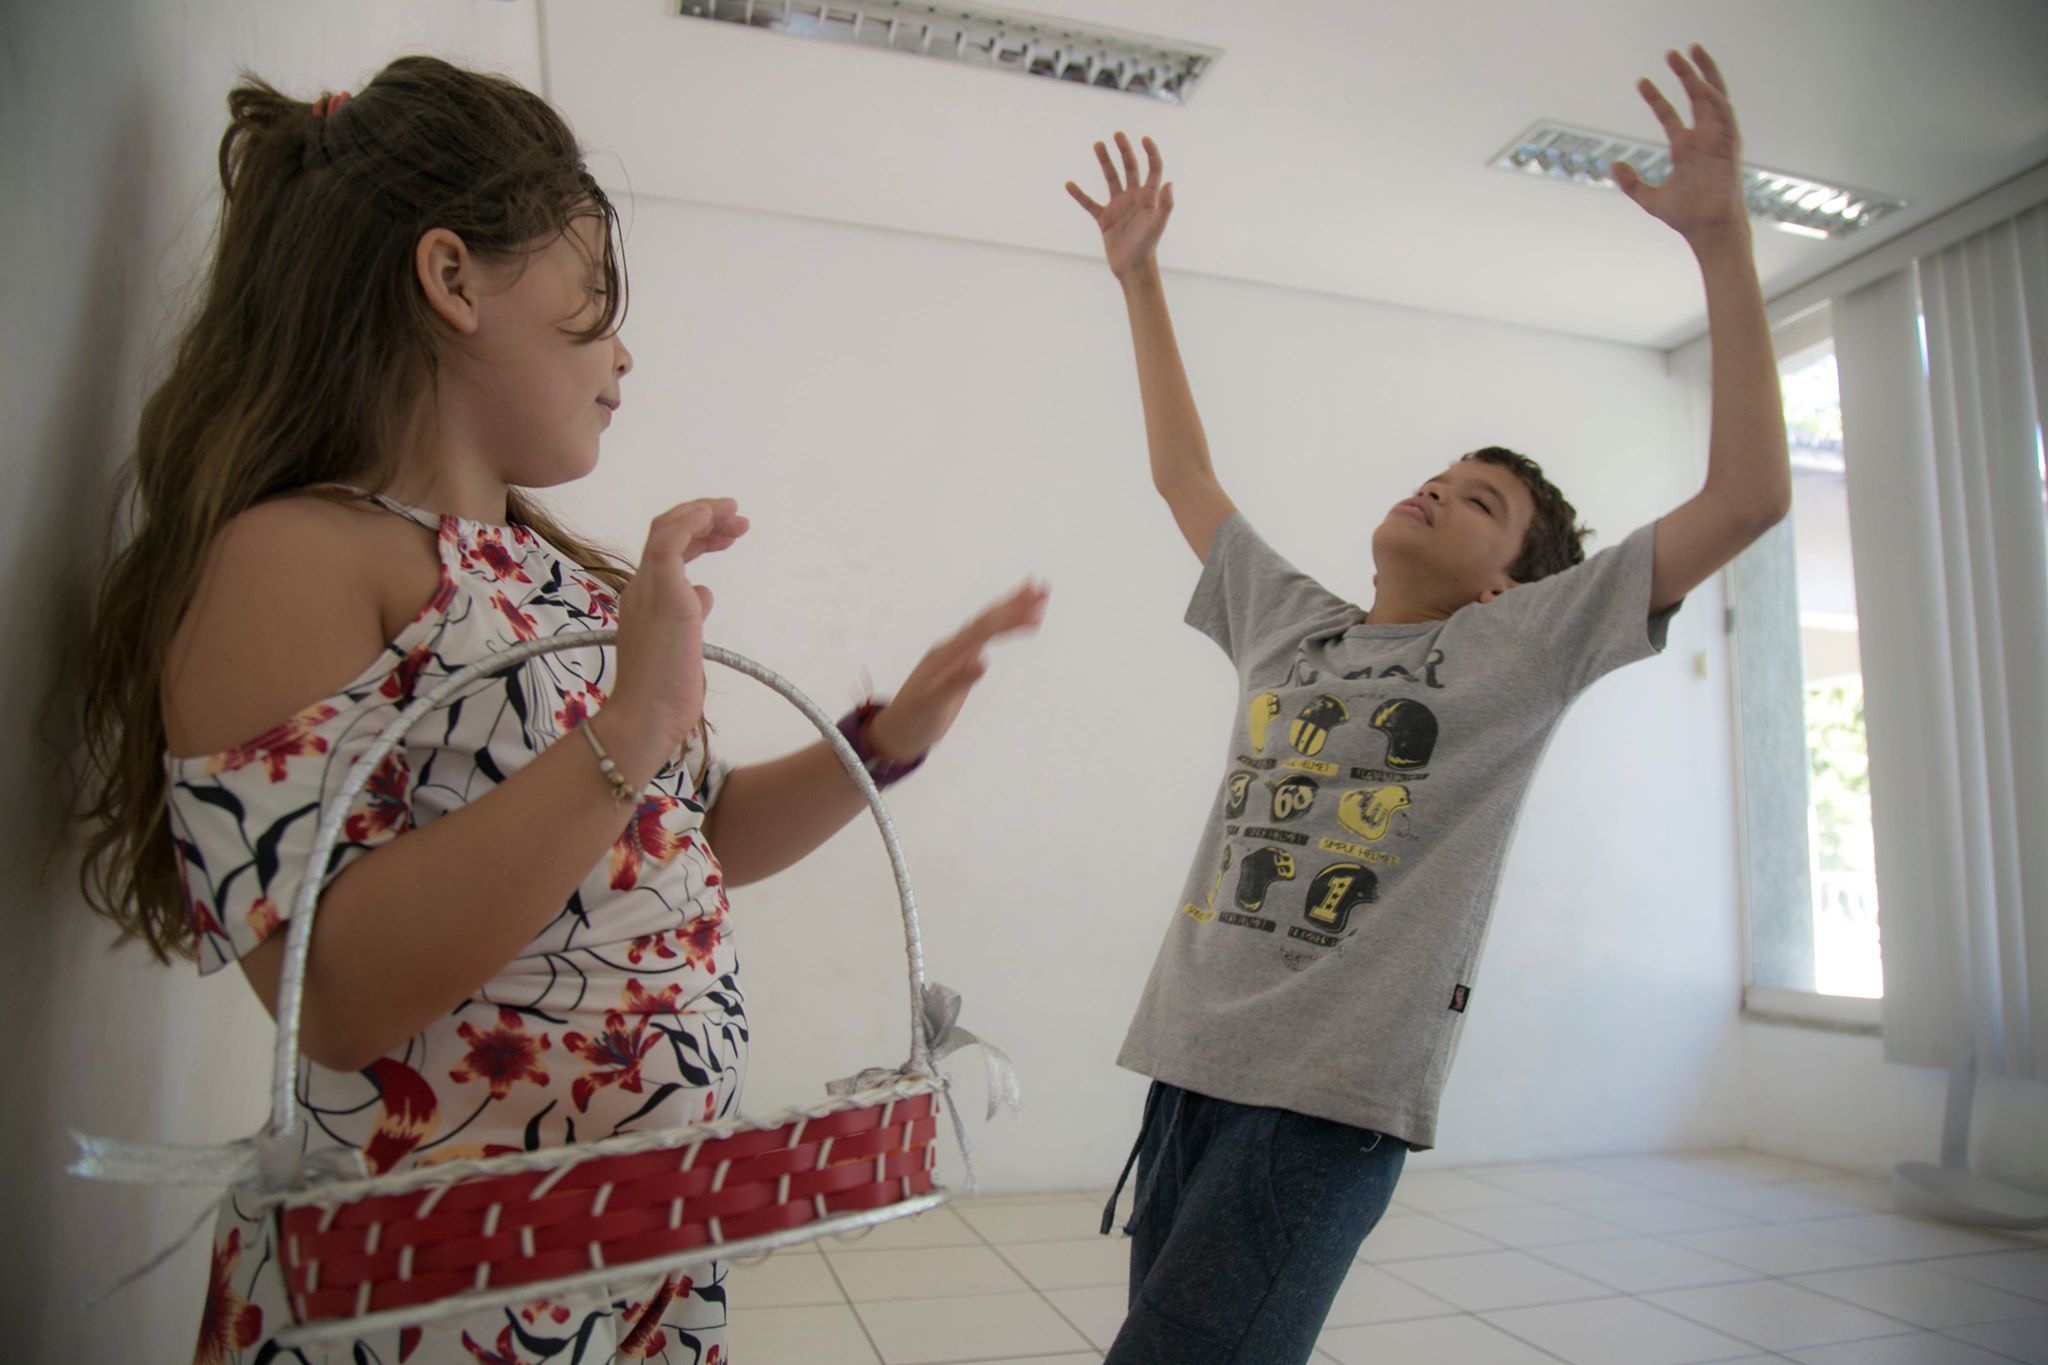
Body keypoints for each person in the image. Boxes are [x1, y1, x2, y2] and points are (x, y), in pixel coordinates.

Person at [72, 56, 1047, 1364]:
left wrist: (884, 742)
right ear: (453, 278)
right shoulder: (291, 557)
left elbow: (691, 838)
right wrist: (629, 724)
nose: (623, 350)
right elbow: (340, 993)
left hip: (630, 1252)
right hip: (433, 1288)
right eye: (596, 300)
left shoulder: (539, 571)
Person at [1064, 44, 1787, 1364]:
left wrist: (1723, 241)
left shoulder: (1518, 650)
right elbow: (1182, 471)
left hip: (1322, 1104)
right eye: (1441, 473)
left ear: (1517, 576)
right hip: (1186, 1070)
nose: (1439, 491)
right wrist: (1138, 276)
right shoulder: (1290, 621)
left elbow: (1745, 497)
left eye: (1482, 500)